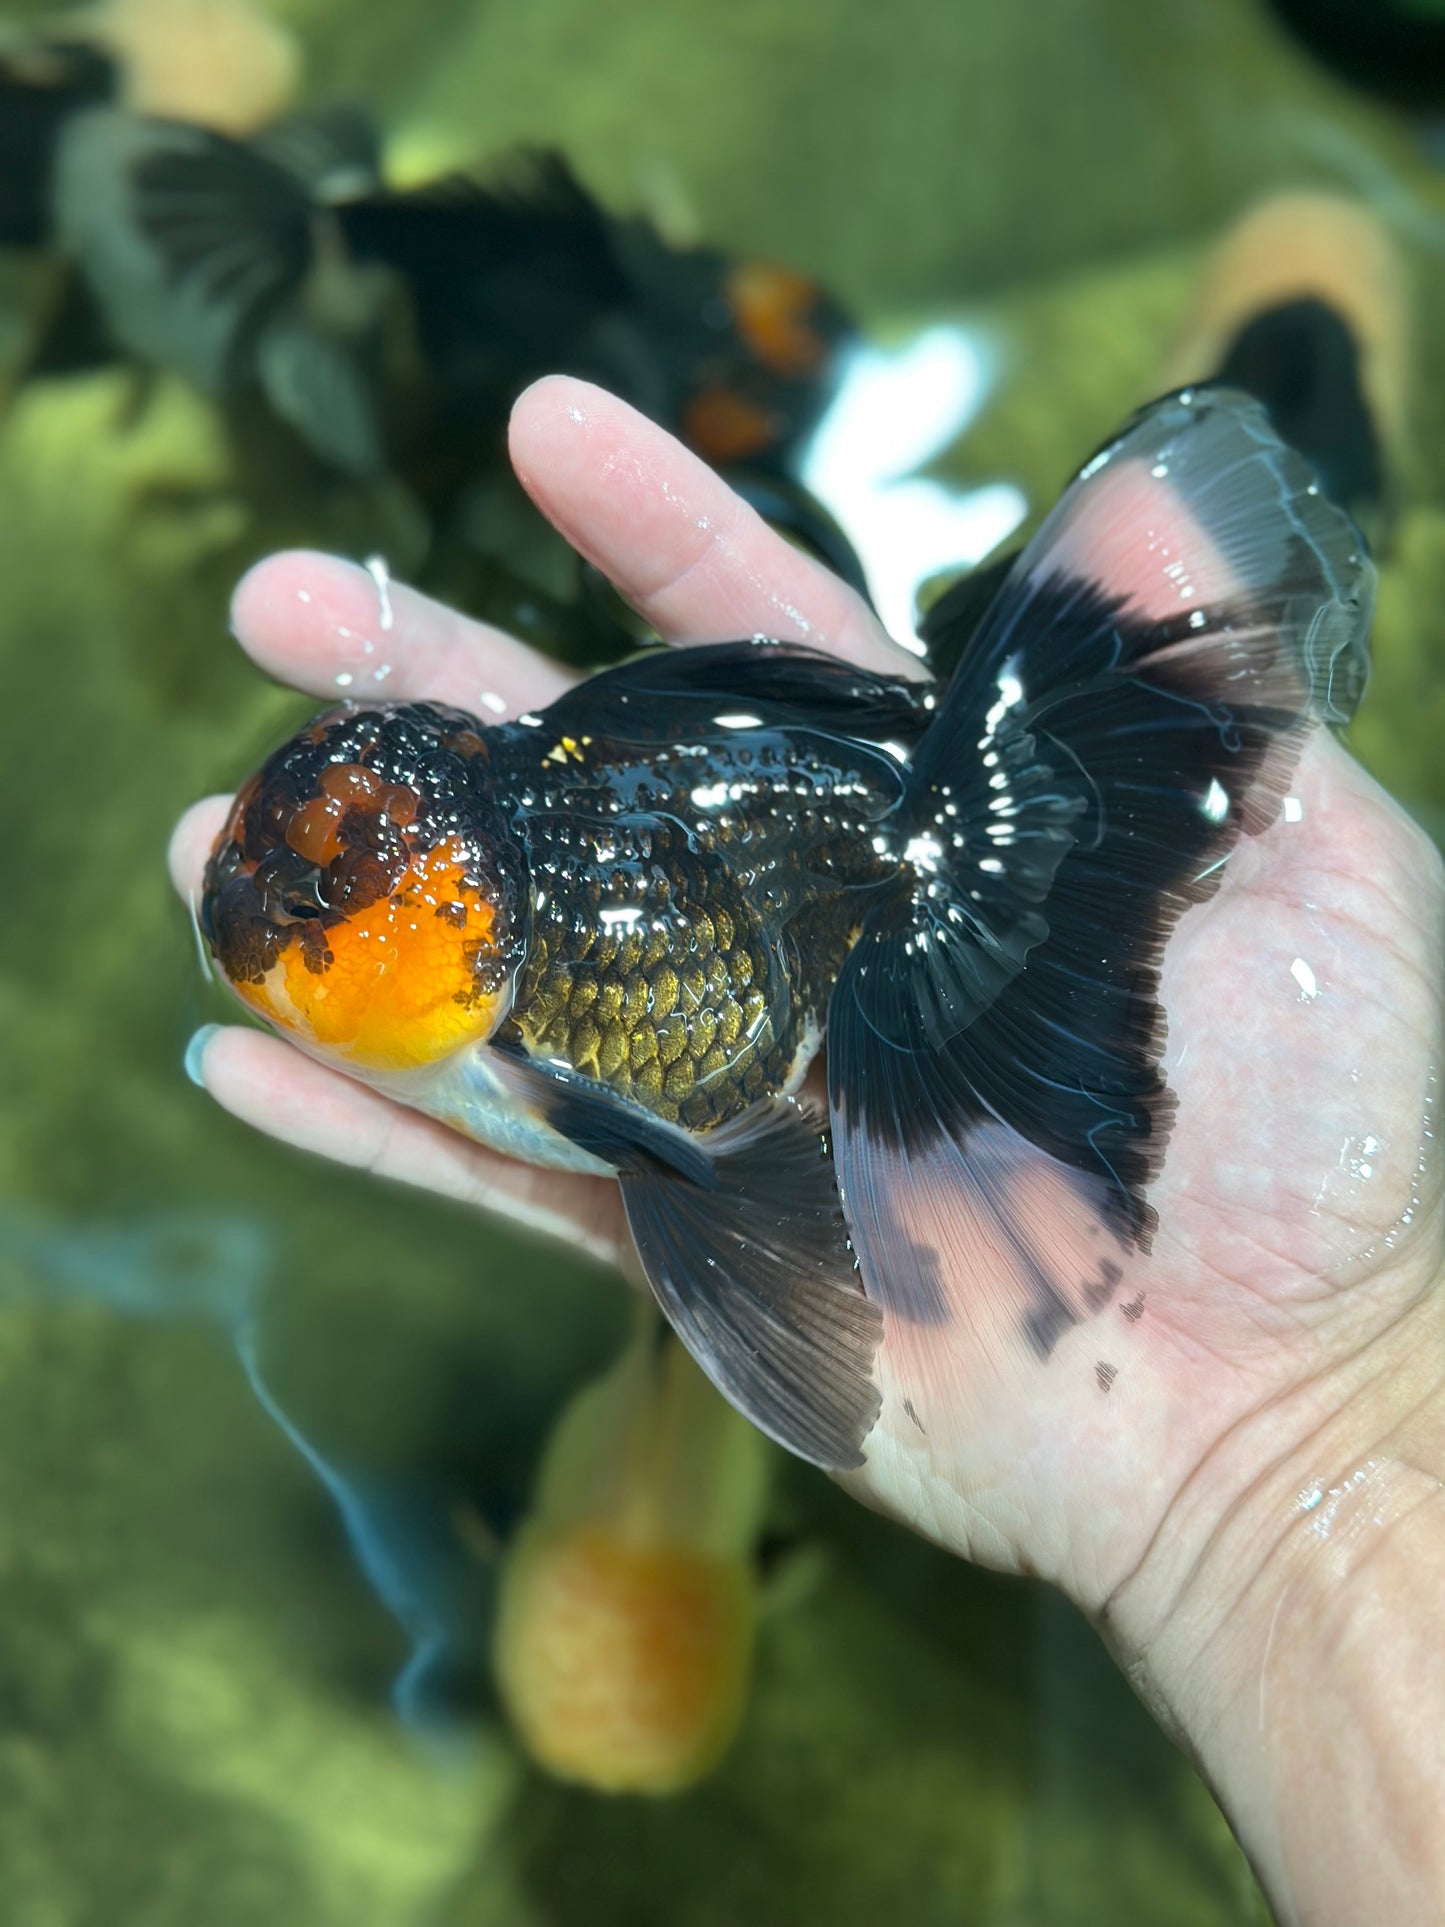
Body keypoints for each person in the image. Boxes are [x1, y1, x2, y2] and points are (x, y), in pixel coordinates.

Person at [170, 375, 1445, 1925]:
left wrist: (1311, 1440)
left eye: (309, 928)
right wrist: (1316, 1447)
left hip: (815, 927)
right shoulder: (492, 884)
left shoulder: (527, 1024)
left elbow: (702, 1180)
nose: (269, 930)